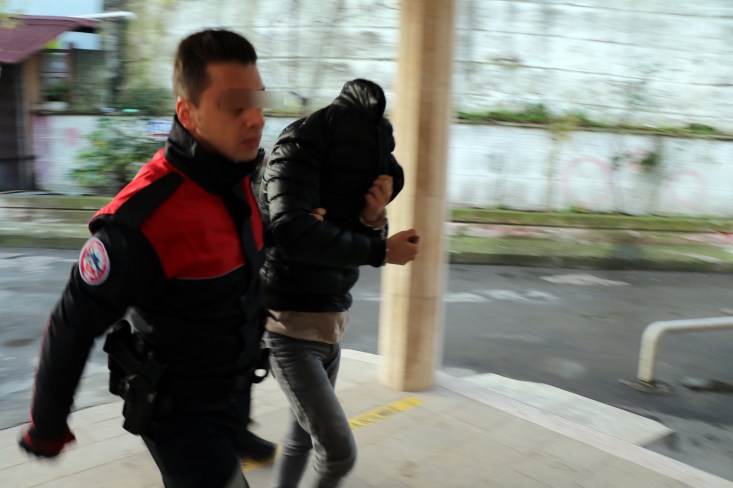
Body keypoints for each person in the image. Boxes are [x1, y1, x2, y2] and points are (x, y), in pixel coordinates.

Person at [18, 29, 274, 488]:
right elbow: (72, 324)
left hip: (231, 396)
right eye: (235, 107)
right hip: (182, 417)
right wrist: (47, 427)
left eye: (257, 102)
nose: (255, 119)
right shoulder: (143, 221)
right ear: (188, 113)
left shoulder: (237, 180)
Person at [257, 78, 421, 488]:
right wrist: (380, 250)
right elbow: (295, 235)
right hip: (287, 330)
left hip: (330, 323)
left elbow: (336, 243)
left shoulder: (340, 175)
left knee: (301, 437)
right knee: (338, 452)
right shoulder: (299, 146)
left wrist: (372, 219)